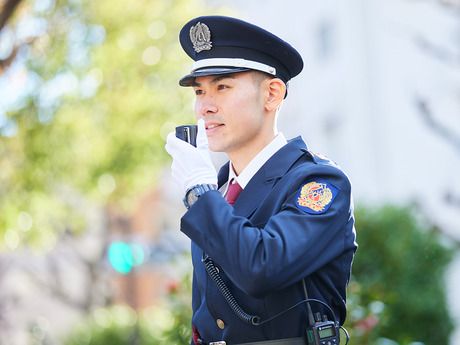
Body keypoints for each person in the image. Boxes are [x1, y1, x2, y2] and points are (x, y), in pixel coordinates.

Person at [165, 15, 357, 345]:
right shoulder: (217, 192)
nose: (204, 107)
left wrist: (199, 191)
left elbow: (262, 268)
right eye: (199, 91)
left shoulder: (318, 182)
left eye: (222, 87)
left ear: (271, 94)